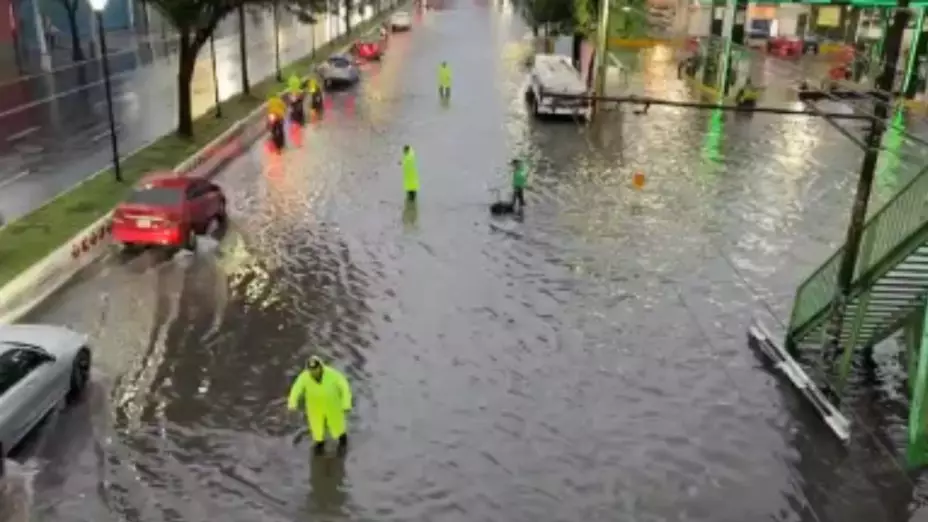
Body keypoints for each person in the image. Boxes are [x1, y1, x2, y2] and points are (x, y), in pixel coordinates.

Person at [288, 356, 353, 456]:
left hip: (332, 406)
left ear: (320, 367)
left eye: (316, 369)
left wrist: (346, 403)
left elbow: (344, 387)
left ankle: (342, 442)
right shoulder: (304, 377)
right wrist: (292, 403)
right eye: (311, 370)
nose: (314, 372)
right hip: (315, 409)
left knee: (337, 426)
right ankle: (319, 444)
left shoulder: (333, 374)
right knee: (316, 428)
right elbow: (296, 389)